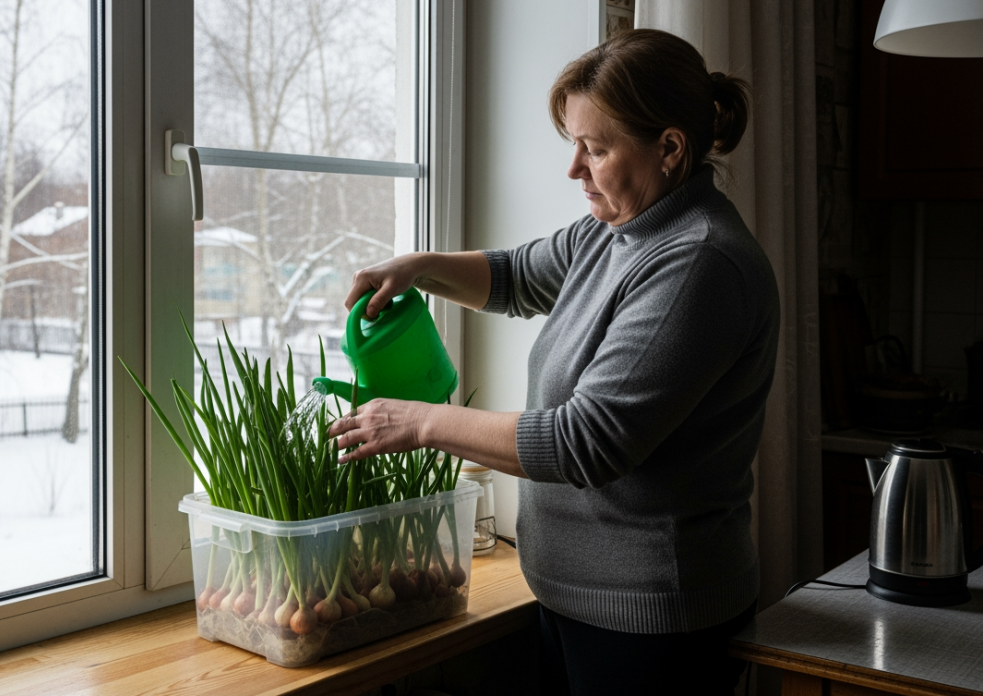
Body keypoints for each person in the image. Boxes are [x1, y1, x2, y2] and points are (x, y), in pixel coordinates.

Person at [328, 28, 779, 695]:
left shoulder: (697, 263)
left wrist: (419, 422)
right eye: (574, 143)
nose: (574, 169)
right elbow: (516, 276)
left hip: (653, 621)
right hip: (576, 600)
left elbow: (583, 442)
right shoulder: (616, 231)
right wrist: (419, 267)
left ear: (670, 149)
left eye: (595, 148)